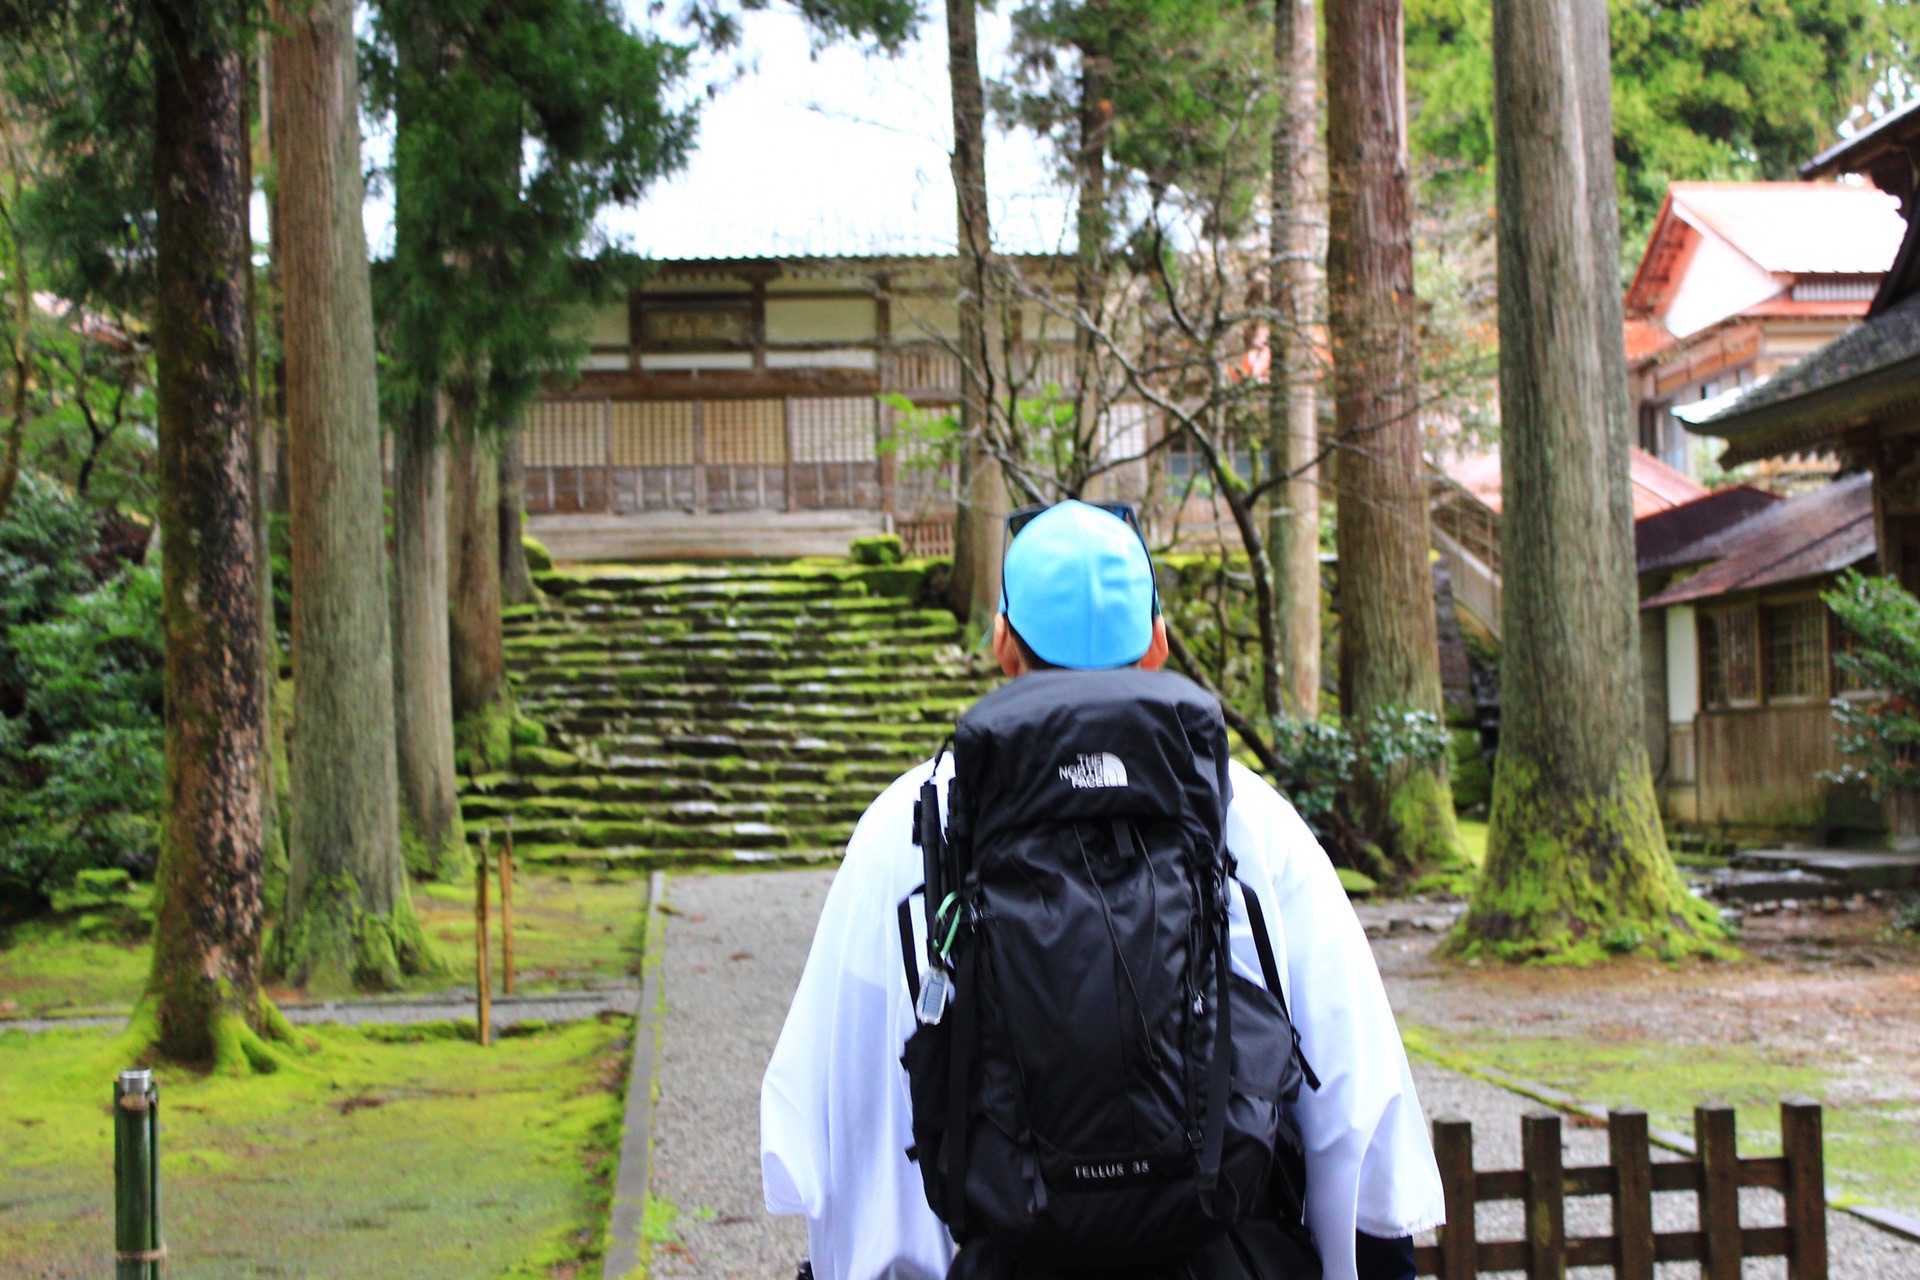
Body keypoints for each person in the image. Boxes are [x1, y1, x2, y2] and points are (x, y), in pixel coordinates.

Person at [762, 500, 1444, 1280]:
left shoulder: (908, 827)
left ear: (1002, 643)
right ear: (1157, 642)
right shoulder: (1248, 819)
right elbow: (1354, 1094)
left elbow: (838, 1104)